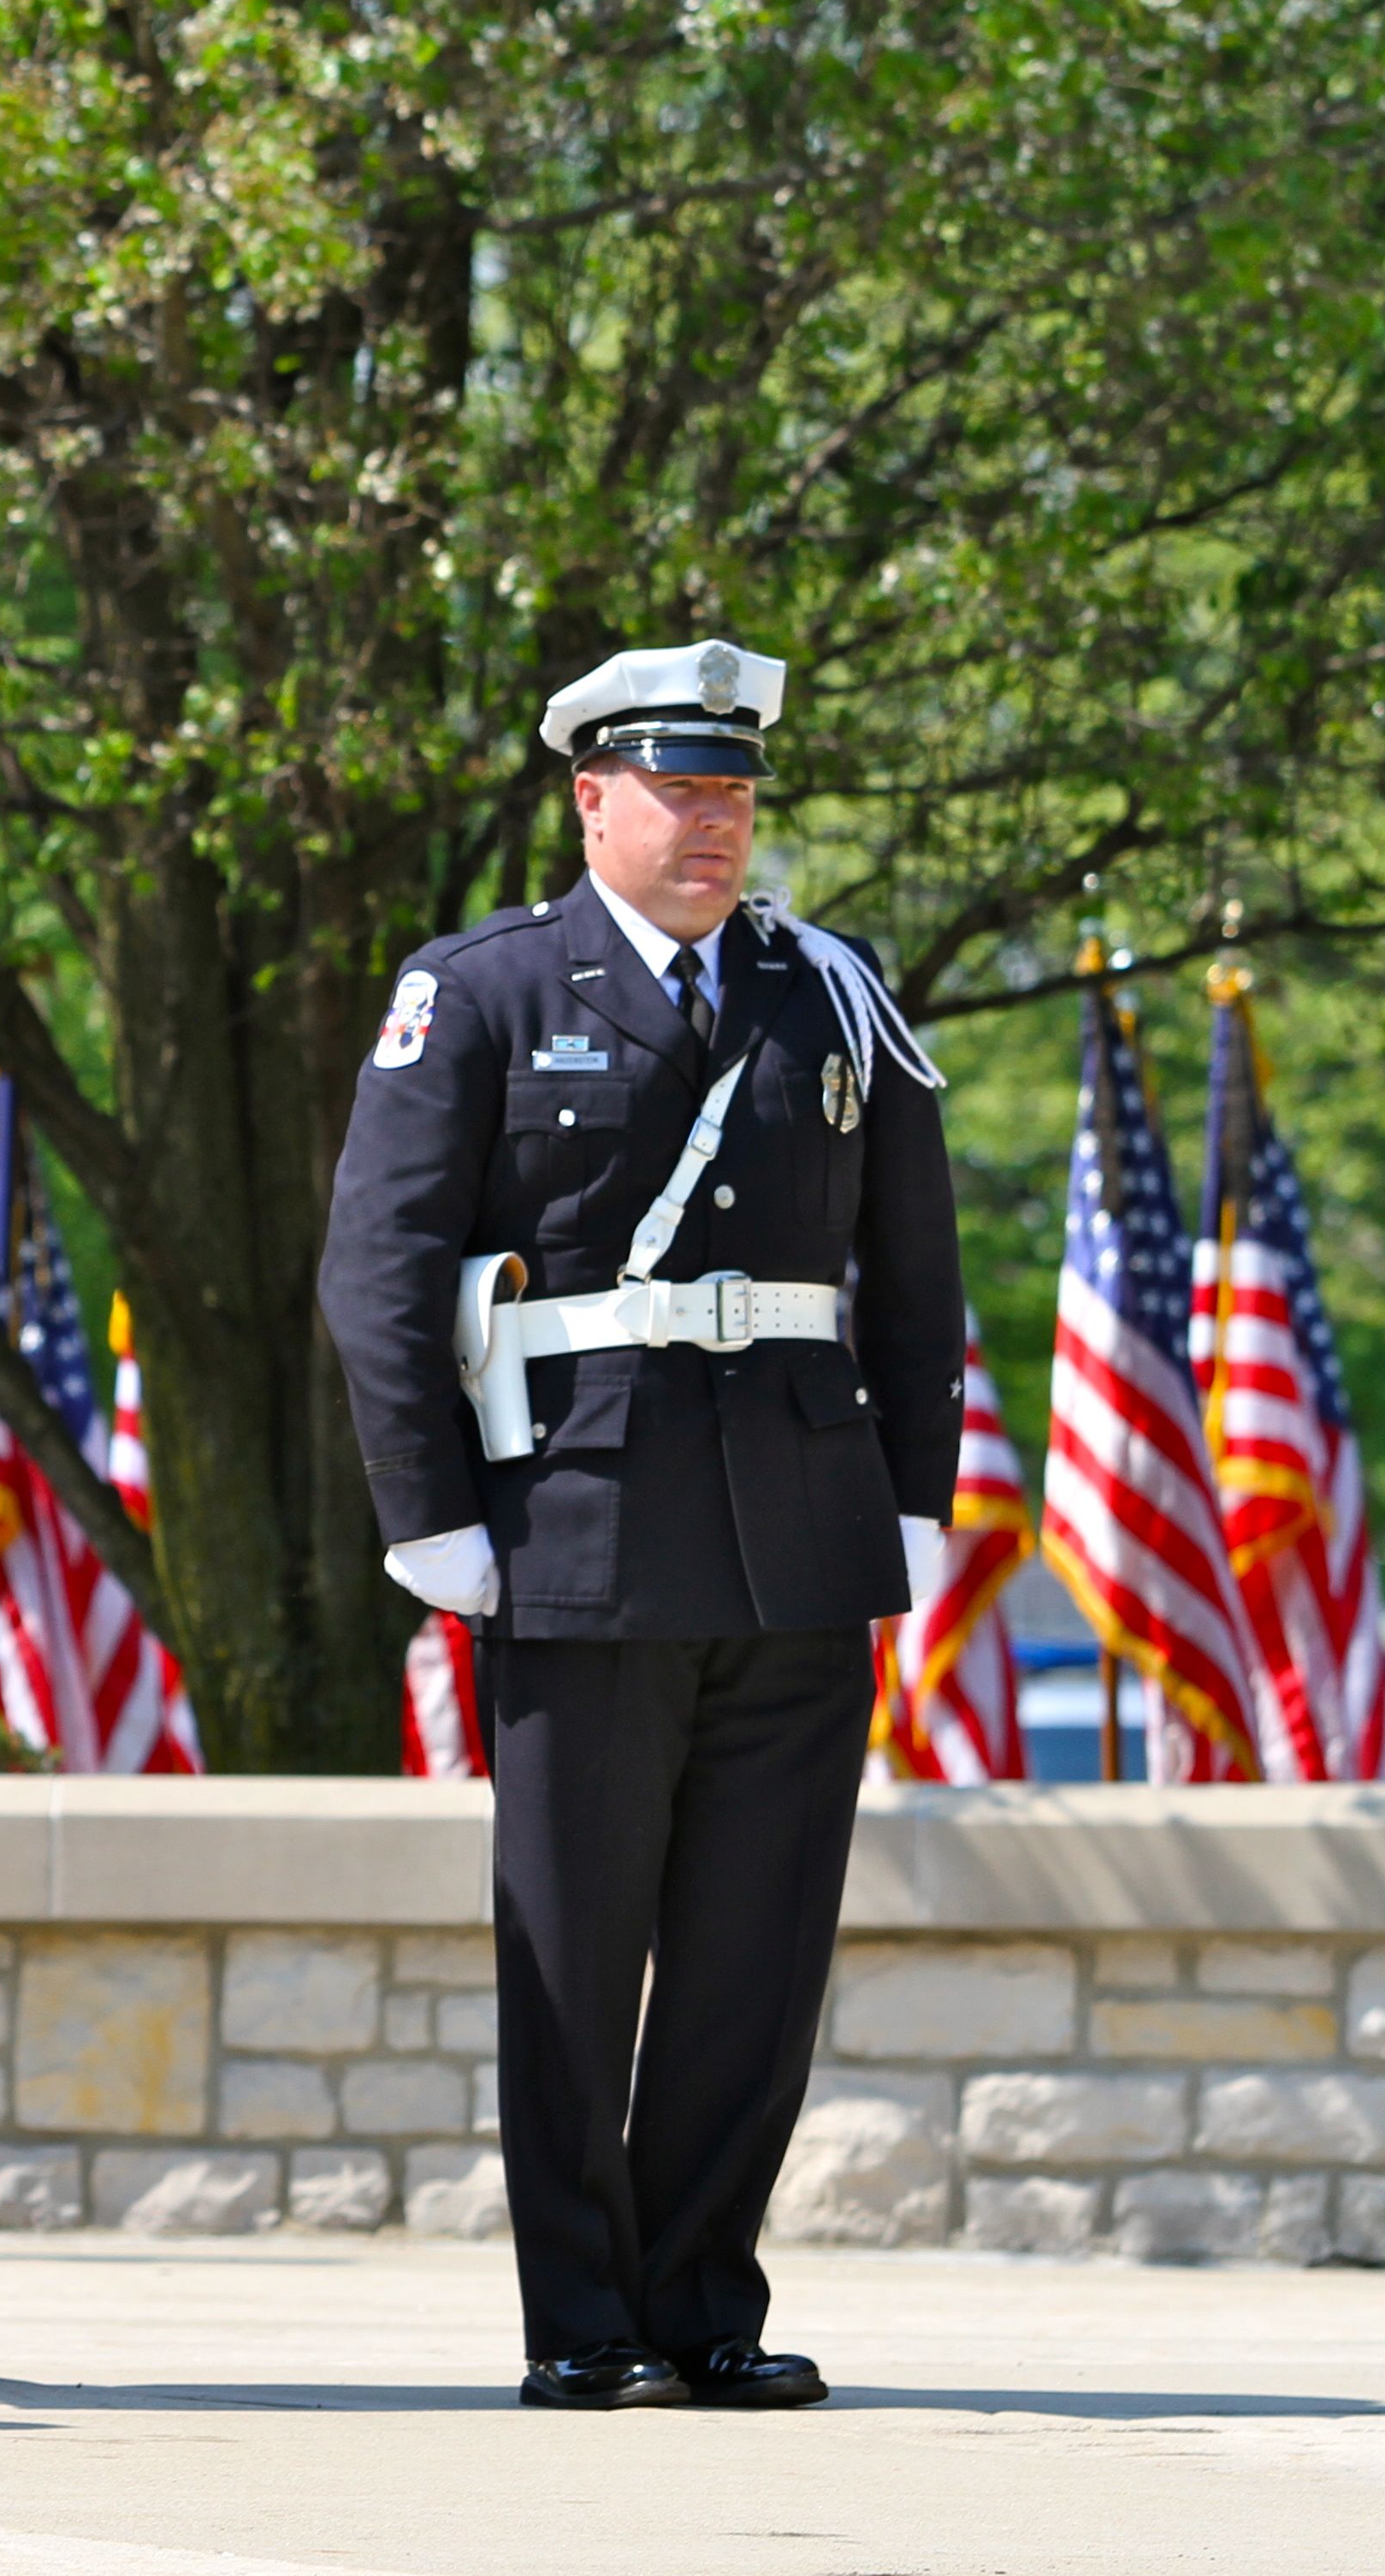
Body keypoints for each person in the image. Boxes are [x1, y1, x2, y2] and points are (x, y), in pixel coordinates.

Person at [314, 639, 963, 2412]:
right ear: (591, 798)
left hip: (799, 1537)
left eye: (736, 793)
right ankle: (587, 2321)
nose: (714, 825)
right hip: (579, 1528)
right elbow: (378, 1272)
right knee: (579, 1954)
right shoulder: (486, 994)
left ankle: (705, 2310)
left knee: (757, 1958)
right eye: (679, 791)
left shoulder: (830, 993)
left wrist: (918, 1498)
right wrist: (428, 1509)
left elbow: (915, 1276)